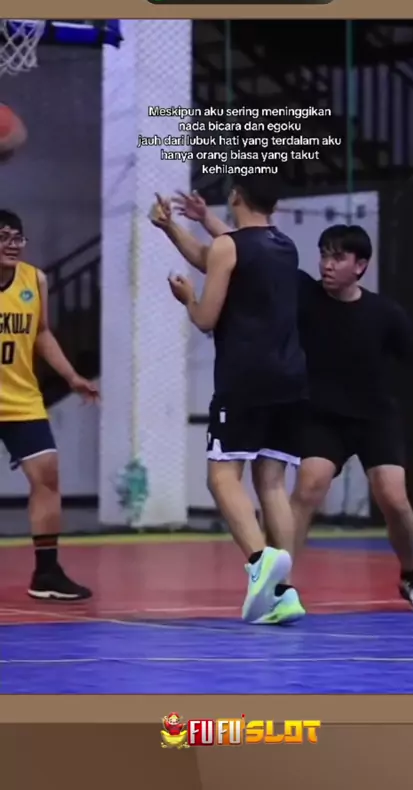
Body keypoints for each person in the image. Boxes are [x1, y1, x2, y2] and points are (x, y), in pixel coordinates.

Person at [168, 193, 413, 614]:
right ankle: (280, 586)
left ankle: (412, 574)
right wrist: (206, 219)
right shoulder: (303, 292)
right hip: (322, 417)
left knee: (394, 497)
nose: (328, 265)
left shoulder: (385, 313)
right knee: (308, 486)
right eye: (324, 256)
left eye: (338, 258)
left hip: (374, 418)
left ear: (360, 265)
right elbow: (245, 253)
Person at [150, 178, 308, 624]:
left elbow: (206, 318)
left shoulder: (230, 247)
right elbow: (221, 255)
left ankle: (259, 562)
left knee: (221, 477)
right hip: (291, 378)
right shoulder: (285, 246)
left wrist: (187, 299)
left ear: (236, 194)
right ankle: (285, 593)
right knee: (272, 483)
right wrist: (176, 227)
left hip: (245, 377)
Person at [0, 210, 98, 601]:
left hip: (21, 399)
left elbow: (41, 333)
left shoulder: (34, 279)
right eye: (3, 237)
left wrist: (72, 376)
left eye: (17, 238)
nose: (12, 244)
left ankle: (46, 572)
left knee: (47, 476)